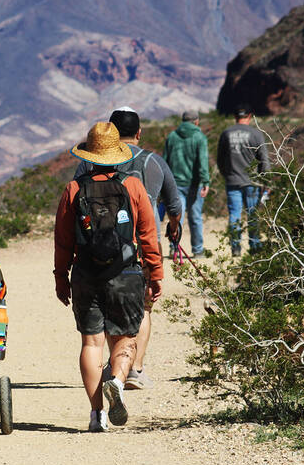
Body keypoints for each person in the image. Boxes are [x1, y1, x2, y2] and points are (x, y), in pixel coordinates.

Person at [55, 122, 163, 432]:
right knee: (125, 338)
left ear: (89, 155)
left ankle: (96, 415)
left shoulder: (74, 189)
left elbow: (63, 240)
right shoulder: (133, 186)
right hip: (126, 273)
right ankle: (116, 380)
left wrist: (61, 277)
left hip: (86, 273)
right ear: (118, 154)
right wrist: (155, 273)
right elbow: (148, 235)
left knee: (92, 343)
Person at [74, 107, 181, 391]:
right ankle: (134, 369)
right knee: (142, 307)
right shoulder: (153, 162)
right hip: (142, 246)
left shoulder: (88, 163)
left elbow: (74, 203)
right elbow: (174, 204)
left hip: (97, 248)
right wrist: (174, 228)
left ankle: (114, 368)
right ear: (139, 133)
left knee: (107, 307)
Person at [217, 105, 270, 256]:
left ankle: (235, 247)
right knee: (253, 214)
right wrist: (266, 180)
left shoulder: (226, 133)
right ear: (250, 116)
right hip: (252, 182)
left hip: (232, 181)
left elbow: (220, 159)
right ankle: (254, 246)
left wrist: (226, 175)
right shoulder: (256, 134)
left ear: (235, 117)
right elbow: (264, 159)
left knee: (235, 215)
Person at [163, 110, 211, 257]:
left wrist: (164, 183)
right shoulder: (200, 137)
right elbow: (203, 161)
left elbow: (164, 161)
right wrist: (205, 180)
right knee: (195, 217)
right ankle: (198, 250)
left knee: (177, 217)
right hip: (195, 184)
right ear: (196, 122)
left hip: (175, 184)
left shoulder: (172, 136)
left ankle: (174, 247)